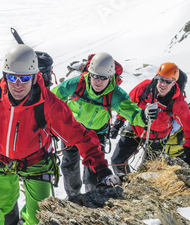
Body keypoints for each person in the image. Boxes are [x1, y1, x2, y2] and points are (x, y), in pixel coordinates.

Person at [0, 45, 120, 225]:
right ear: (5, 76)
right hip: (2, 158)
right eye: (12, 78)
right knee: (3, 206)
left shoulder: (48, 103)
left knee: (39, 214)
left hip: (36, 161)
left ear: (35, 77)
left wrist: (101, 169)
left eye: (25, 78)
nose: (18, 84)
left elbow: (79, 135)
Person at [51, 52, 154, 197]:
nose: (98, 81)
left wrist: (143, 116)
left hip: (96, 134)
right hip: (73, 131)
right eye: (95, 76)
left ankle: (91, 197)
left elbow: (131, 111)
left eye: (104, 77)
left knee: (94, 170)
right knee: (69, 166)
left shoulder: (115, 94)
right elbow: (52, 99)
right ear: (89, 73)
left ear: (110, 77)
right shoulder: (76, 83)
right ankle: (73, 196)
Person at [111, 62, 190, 178]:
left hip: (158, 136)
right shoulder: (145, 87)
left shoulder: (178, 102)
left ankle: (138, 186)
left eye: (168, 81)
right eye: (161, 79)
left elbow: (189, 128)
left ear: (174, 83)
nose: (163, 84)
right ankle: (125, 183)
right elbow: (128, 105)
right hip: (136, 128)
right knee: (117, 161)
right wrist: (118, 123)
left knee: (148, 172)